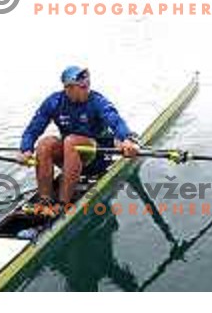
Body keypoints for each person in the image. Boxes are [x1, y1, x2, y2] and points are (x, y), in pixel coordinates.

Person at [18, 66, 139, 207]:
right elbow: (33, 130)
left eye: (87, 85)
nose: (86, 89)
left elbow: (115, 121)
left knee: (71, 141)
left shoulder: (98, 101)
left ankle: (63, 204)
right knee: (45, 143)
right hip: (71, 157)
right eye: (82, 87)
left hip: (99, 158)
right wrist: (25, 149)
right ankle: (45, 202)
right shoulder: (54, 102)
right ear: (68, 88)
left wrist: (127, 139)